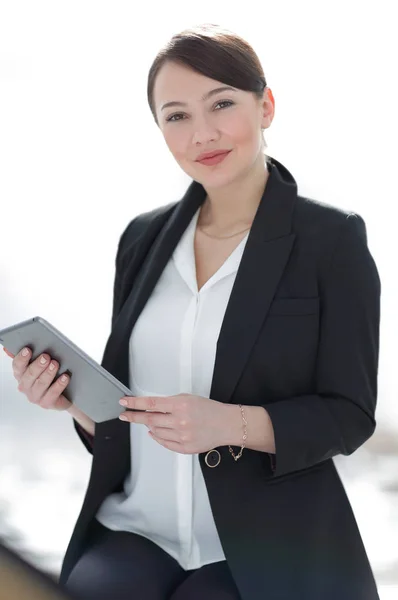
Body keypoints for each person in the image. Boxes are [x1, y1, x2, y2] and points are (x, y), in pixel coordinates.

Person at [4, 22, 381, 600]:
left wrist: (231, 424)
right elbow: (128, 411)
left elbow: (350, 414)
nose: (202, 132)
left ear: (266, 107)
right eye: (176, 115)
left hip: (263, 541)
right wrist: (72, 403)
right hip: (132, 530)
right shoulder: (142, 238)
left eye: (221, 104)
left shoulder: (332, 239)